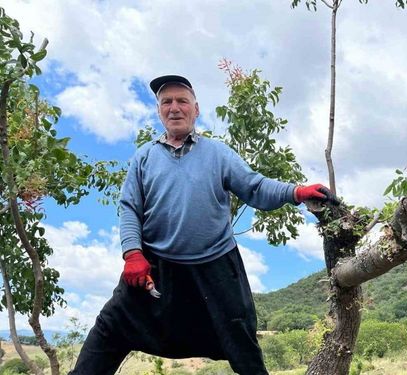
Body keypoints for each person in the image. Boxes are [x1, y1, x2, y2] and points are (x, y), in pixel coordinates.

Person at [70, 75, 337, 375]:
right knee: (110, 327)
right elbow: (129, 207)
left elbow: (254, 187)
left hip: (216, 267)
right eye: (166, 102)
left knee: (242, 340)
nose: (174, 108)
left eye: (182, 101)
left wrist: (295, 192)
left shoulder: (218, 154)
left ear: (196, 110)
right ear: (159, 111)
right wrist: (132, 253)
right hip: (154, 268)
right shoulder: (144, 157)